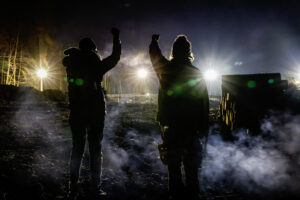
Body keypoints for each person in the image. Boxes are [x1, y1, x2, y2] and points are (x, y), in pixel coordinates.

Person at [62, 28, 121, 199]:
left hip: (77, 114)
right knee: (95, 151)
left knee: (77, 150)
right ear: (93, 49)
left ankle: (72, 188)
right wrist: (116, 38)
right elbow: (115, 58)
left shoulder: (71, 65)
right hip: (95, 115)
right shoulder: (95, 65)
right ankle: (95, 188)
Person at [149, 34, 209, 200]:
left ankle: (175, 194)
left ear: (174, 51)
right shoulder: (196, 73)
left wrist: (154, 42)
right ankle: (193, 195)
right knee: (192, 168)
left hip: (171, 125)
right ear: (189, 52)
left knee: (173, 166)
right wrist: (204, 127)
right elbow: (204, 102)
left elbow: (155, 56)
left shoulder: (165, 70)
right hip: (191, 127)